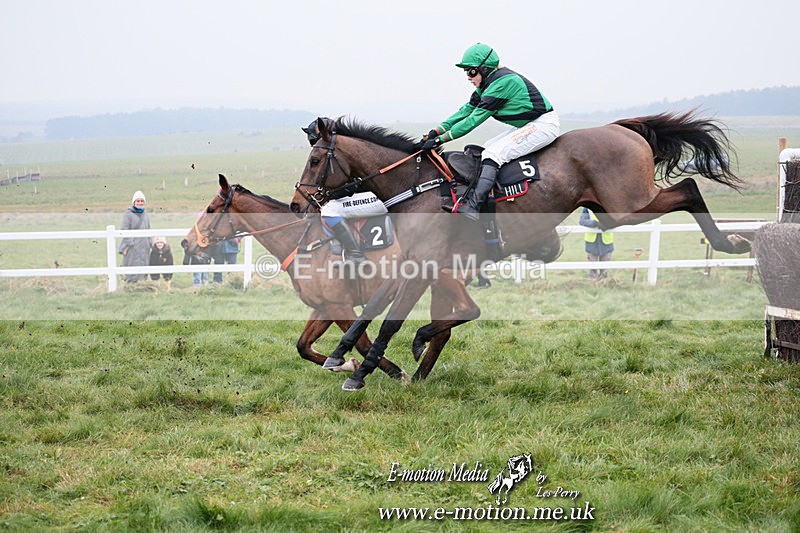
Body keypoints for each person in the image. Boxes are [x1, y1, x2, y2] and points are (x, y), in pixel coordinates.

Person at [421, 43, 560, 220]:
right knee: (487, 148)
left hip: (542, 124)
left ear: (485, 69)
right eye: (466, 72)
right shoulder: (487, 85)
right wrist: (436, 131)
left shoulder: (504, 83)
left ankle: (473, 205)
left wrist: (441, 140)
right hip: (528, 124)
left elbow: (473, 120)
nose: (468, 77)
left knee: (493, 154)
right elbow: (465, 111)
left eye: (471, 72)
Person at [302, 118, 386, 266]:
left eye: (317, 142)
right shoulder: (350, 146)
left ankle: (356, 255)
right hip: (377, 195)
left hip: (379, 197)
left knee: (330, 210)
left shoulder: (346, 152)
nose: (316, 147)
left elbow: (358, 185)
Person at [118, 190, 151, 283]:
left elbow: (148, 228)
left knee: (144, 262)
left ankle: (142, 282)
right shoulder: (127, 215)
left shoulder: (145, 215)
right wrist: (131, 243)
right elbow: (124, 229)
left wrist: (149, 242)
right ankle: (130, 283)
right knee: (131, 263)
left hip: (144, 245)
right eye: (138, 201)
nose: (140, 203)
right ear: (134, 202)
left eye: (142, 201)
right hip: (133, 246)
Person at [580, 208, 614, 281]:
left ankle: (603, 285)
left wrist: (607, 224)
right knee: (592, 268)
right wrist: (596, 223)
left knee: (604, 269)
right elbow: (582, 221)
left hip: (606, 242)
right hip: (592, 243)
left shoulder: (610, 205)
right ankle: (592, 285)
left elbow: (616, 219)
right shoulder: (587, 208)